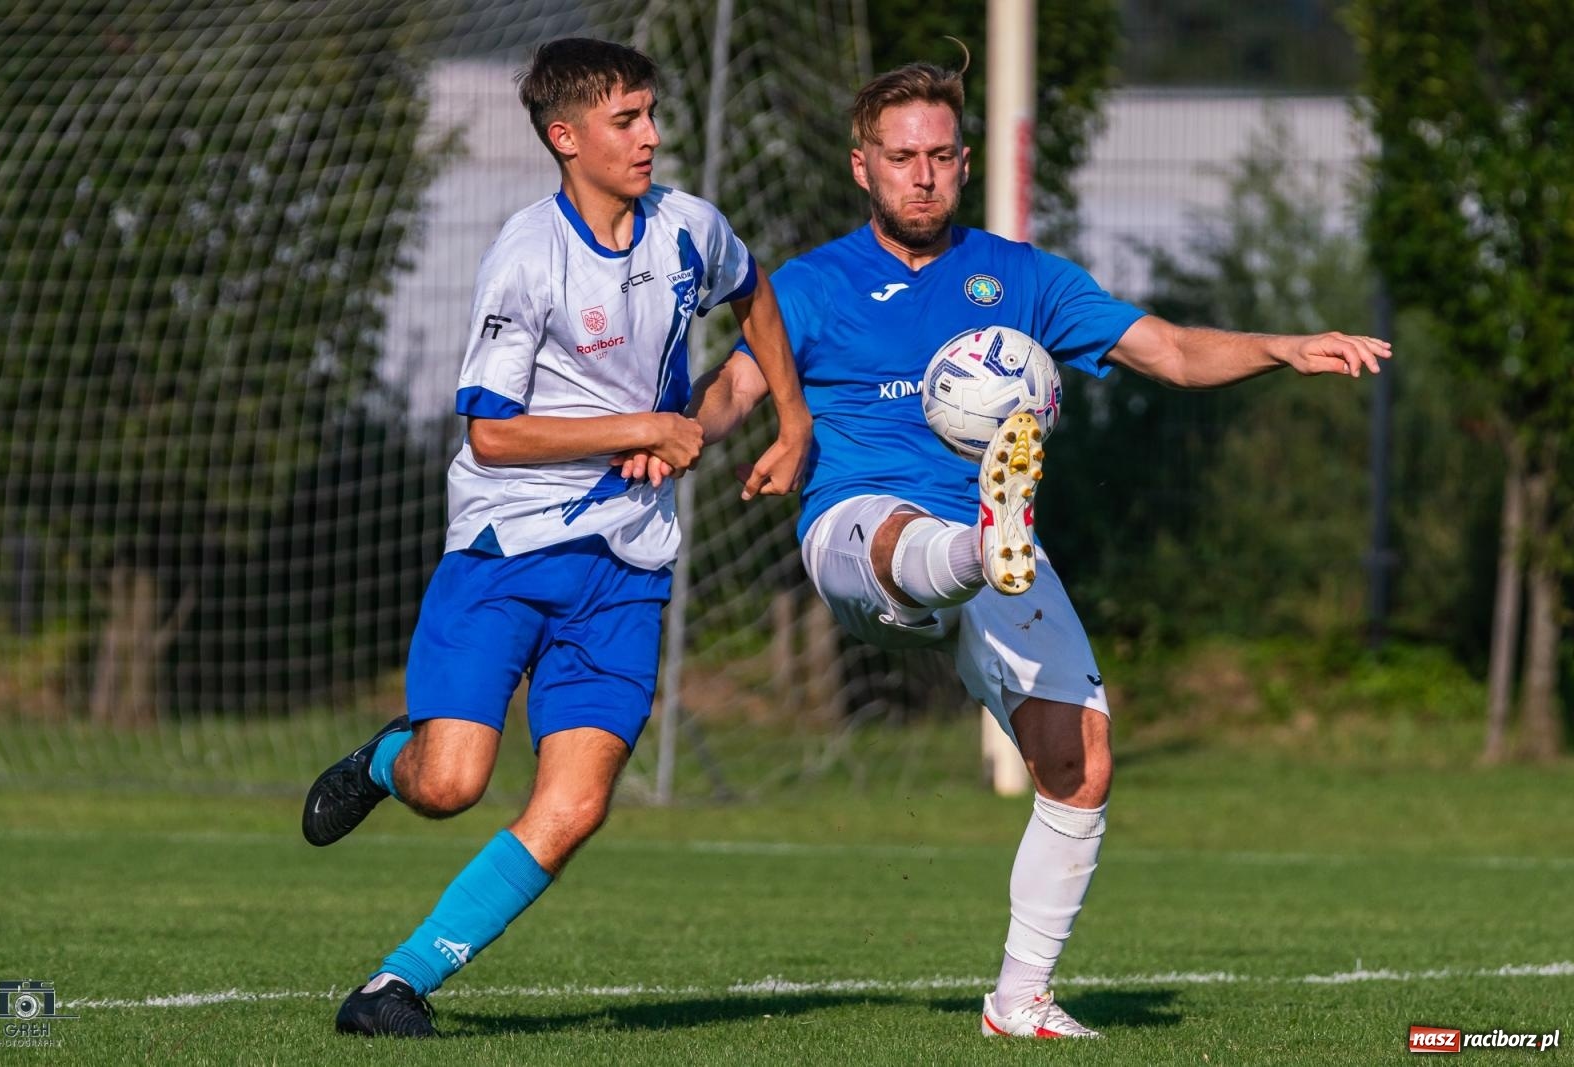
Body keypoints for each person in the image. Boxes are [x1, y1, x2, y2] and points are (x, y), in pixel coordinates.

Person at [687, 61, 1389, 1039]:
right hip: (856, 526)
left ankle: (1018, 999)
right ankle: (981, 541)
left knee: (1080, 759)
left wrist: (1281, 345)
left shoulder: (1023, 278)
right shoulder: (808, 286)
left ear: (965, 162)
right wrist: (676, 440)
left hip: (993, 545)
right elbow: (730, 391)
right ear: (862, 167)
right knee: (901, 538)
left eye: (939, 157)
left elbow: (1173, 351)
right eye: (900, 158)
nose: (921, 176)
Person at [300, 37, 810, 1038]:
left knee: (574, 806)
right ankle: (385, 758)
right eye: (627, 120)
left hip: (625, 569)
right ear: (566, 138)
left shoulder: (686, 230)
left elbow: (754, 294)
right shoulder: (527, 256)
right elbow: (490, 431)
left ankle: (393, 985)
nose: (652, 136)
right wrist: (644, 428)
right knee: (450, 784)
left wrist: (791, 425)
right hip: (506, 549)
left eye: (652, 113)